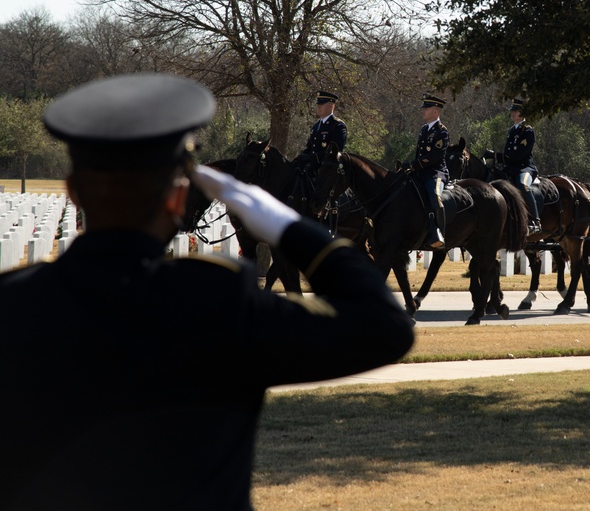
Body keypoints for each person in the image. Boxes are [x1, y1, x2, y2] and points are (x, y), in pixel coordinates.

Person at [0, 74, 413, 510]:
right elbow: (382, 328)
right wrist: (288, 227)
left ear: (72, 193)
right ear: (179, 199)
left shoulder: (12, 305)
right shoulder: (221, 302)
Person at [402, 94, 449, 249]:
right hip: (420, 172)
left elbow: (435, 157)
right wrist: (410, 168)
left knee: (435, 195)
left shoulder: (442, 131)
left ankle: (439, 233)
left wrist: (414, 165)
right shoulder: (424, 130)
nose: (423, 111)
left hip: (436, 173)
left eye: (426, 108)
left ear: (436, 112)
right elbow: (419, 154)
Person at [486, 98, 540, 232]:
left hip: (525, 168)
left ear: (522, 113)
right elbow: (508, 154)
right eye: (512, 111)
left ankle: (535, 220)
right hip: (511, 168)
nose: (513, 114)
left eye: (516, 111)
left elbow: (519, 155)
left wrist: (496, 155)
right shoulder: (511, 131)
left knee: (522, 184)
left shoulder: (527, 131)